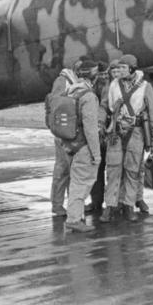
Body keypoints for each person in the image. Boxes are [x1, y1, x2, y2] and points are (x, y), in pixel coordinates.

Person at [99, 54, 153, 223]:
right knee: (113, 170)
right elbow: (105, 106)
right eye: (118, 68)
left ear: (132, 69)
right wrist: (100, 123)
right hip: (116, 131)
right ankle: (110, 206)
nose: (118, 70)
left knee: (133, 170)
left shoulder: (145, 87)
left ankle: (129, 205)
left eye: (123, 67)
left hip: (137, 131)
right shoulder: (113, 85)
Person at [61, 60, 102, 233]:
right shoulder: (89, 96)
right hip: (84, 146)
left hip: (71, 144)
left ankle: (75, 217)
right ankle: (74, 220)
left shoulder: (70, 91)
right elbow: (91, 128)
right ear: (92, 75)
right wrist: (96, 154)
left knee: (76, 182)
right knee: (82, 183)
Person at [49, 56, 88, 217]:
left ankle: (74, 204)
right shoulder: (63, 81)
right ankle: (57, 205)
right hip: (65, 133)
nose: (81, 71)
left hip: (77, 133)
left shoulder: (81, 82)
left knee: (75, 170)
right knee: (63, 169)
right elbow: (56, 106)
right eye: (79, 68)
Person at [85, 60, 112, 214]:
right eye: (99, 74)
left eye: (104, 73)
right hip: (97, 134)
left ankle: (113, 204)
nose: (102, 77)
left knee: (114, 170)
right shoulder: (92, 88)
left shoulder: (112, 88)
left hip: (109, 132)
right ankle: (96, 202)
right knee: (96, 169)